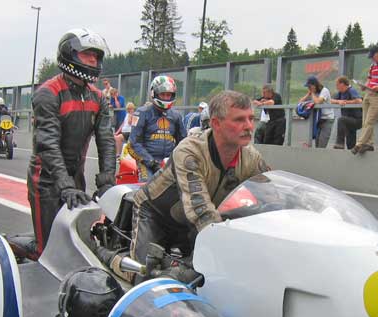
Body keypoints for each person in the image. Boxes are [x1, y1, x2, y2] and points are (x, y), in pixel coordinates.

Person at [97, 90, 270, 282]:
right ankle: (109, 258)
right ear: (216, 123)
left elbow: (269, 194)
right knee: (146, 278)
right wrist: (226, 250)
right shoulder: (189, 152)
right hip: (156, 214)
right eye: (239, 120)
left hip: (189, 220)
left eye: (250, 118)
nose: (248, 126)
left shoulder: (251, 157)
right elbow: (201, 211)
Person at [27, 28, 116, 256]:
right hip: (45, 181)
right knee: (47, 251)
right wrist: (63, 184)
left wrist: (107, 179)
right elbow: (47, 143)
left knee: (77, 245)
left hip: (75, 179)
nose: (93, 60)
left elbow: (106, 139)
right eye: (88, 55)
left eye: (96, 56)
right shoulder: (48, 93)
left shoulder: (97, 97)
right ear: (70, 55)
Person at [128, 75, 186, 181]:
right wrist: (152, 163)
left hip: (168, 163)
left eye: (168, 95)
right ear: (153, 93)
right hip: (146, 163)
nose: (166, 97)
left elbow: (183, 142)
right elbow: (133, 144)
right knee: (147, 186)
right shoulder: (142, 113)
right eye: (163, 94)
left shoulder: (176, 116)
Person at [299, 76, 335, 148]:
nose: (308, 88)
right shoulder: (313, 94)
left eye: (309, 86)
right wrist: (308, 94)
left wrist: (312, 93)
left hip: (327, 119)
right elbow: (300, 102)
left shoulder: (324, 90)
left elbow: (318, 101)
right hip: (318, 120)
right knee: (317, 143)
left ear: (314, 85)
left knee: (322, 143)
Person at [330, 76, 363, 149]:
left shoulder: (351, 90)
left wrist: (346, 102)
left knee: (341, 120)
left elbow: (359, 101)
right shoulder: (340, 93)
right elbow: (330, 100)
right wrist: (339, 101)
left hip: (357, 120)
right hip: (348, 120)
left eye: (337, 85)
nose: (336, 87)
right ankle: (351, 150)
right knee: (350, 142)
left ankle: (340, 143)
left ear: (342, 84)